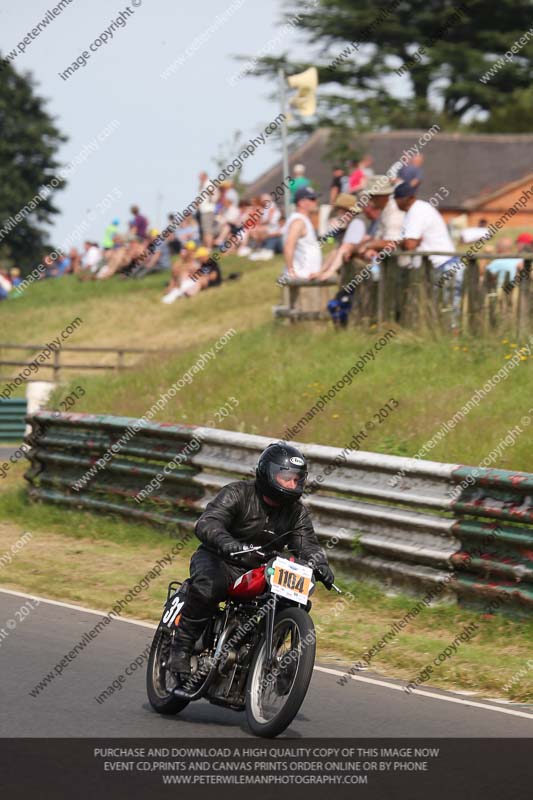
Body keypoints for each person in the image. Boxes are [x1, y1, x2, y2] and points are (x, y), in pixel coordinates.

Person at [168, 442, 335, 686]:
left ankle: (267, 658)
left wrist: (320, 565)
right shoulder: (238, 493)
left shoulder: (296, 512)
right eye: (286, 477)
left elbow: (306, 544)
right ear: (268, 473)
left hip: (261, 570)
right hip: (220, 560)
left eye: (297, 479)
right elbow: (208, 523)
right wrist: (228, 544)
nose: (292, 484)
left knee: (294, 600)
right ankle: (180, 649)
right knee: (209, 586)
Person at [282, 187, 321, 279]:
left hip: (307, 277)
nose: (315, 202)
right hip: (301, 278)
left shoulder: (302, 220)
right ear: (301, 202)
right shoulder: (298, 222)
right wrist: (291, 272)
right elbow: (288, 247)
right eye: (312, 199)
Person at [198, 171, 217, 247]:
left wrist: (211, 200)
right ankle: (206, 247)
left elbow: (214, 193)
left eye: (200, 177)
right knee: (205, 230)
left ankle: (209, 248)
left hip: (208, 210)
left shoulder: (208, 184)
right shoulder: (203, 185)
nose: (199, 179)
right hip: (204, 210)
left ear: (204, 176)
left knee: (208, 230)